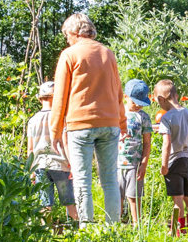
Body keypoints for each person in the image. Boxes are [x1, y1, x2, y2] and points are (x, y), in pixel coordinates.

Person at [49, 13, 127, 225]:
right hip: (109, 124)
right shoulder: (108, 53)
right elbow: (118, 91)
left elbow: (60, 97)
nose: (67, 40)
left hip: (80, 125)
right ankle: (112, 229)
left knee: (82, 180)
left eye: (67, 36)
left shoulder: (69, 54)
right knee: (110, 180)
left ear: (74, 33)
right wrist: (122, 122)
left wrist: (55, 131)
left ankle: (87, 228)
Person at [155, 80, 188, 236]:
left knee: (177, 199)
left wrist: (164, 165)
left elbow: (166, 143)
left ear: (161, 99)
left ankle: (176, 230)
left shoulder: (166, 118)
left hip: (174, 161)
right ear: (176, 95)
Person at [27, 82, 77, 222]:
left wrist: (31, 170)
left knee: (45, 204)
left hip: (40, 166)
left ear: (40, 99)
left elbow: (30, 149)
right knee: (69, 201)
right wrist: (72, 164)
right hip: (60, 164)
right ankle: (75, 230)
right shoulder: (61, 118)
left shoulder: (32, 121)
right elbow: (65, 143)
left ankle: (46, 233)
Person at [119, 79, 153, 225]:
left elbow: (147, 143)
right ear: (125, 97)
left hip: (135, 164)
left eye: (141, 102)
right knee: (116, 197)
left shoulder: (144, 117)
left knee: (134, 197)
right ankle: (116, 227)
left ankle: (136, 227)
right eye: (135, 102)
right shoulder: (117, 113)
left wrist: (144, 164)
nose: (138, 105)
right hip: (116, 163)